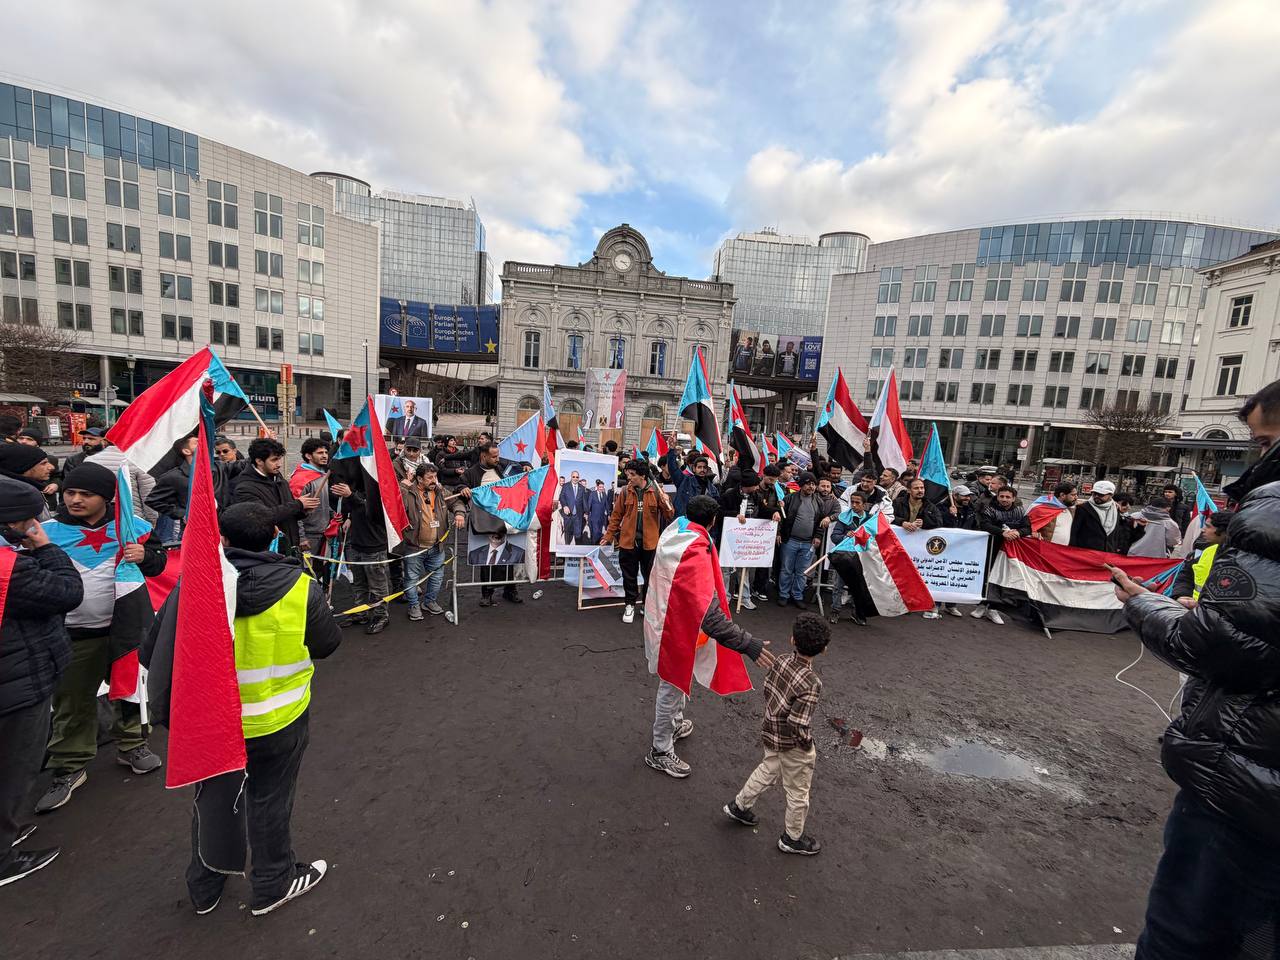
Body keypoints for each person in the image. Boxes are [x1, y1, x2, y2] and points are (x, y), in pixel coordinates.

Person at [1107, 381, 1280, 958]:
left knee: (1185, 940)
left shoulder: (1272, 510)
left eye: (1264, 443)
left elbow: (1220, 645)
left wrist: (1141, 604)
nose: (1256, 462)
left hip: (1247, 786)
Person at [143, 501, 341, 916]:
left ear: (223, 539)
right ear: (275, 536)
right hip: (280, 720)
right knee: (270, 800)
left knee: (212, 799)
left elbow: (153, 651)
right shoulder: (301, 587)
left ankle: (205, 886)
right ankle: (272, 883)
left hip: (213, 720)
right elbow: (326, 644)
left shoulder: (196, 586)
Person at [35, 464, 167, 814]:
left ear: (106, 498)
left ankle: (132, 744)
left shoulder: (132, 528)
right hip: (73, 634)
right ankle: (70, 763)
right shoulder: (44, 533)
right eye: (70, 492)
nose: (75, 499)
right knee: (72, 700)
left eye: (86, 494)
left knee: (131, 692)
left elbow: (158, 563)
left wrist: (146, 556)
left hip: (126, 630)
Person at [0, 476, 83, 887]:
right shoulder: (10, 568)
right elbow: (68, 591)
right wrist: (47, 548)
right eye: (29, 518)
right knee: (14, 767)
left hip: (16, 673)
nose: (35, 524)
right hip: (16, 681)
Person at [644, 495, 765, 778]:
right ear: (712, 522)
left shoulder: (678, 530)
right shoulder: (694, 551)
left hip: (670, 620)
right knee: (672, 686)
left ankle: (674, 725)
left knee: (678, 682)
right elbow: (709, 617)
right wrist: (747, 644)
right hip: (676, 630)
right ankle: (660, 749)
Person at [723, 612, 829, 856]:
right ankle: (793, 837)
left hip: (771, 731)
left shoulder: (780, 660)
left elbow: (768, 690)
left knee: (768, 769)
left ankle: (740, 806)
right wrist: (807, 745)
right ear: (824, 649)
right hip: (793, 744)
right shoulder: (812, 682)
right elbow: (798, 723)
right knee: (798, 792)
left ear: (792, 640)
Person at [602, 459, 675, 624]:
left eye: (632, 475)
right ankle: (629, 605)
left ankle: (646, 605)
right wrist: (609, 535)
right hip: (628, 542)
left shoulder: (656, 491)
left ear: (642, 476)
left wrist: (666, 501)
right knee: (629, 576)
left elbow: (669, 515)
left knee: (650, 577)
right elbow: (616, 515)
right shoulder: (625, 491)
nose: (629, 477)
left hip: (650, 544)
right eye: (628, 474)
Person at [231, 438, 319, 557]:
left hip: (290, 548)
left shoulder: (279, 479)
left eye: (279, 459)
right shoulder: (245, 487)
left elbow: (288, 512)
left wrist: (303, 510)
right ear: (259, 461)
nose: (279, 464)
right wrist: (298, 504)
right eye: (274, 460)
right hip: (268, 553)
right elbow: (261, 517)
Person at [461, 441, 523, 607]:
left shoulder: (501, 466)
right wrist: (463, 488)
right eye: (494, 456)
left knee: (509, 557)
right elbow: (461, 484)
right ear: (483, 456)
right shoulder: (472, 472)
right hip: (484, 523)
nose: (497, 459)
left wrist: (526, 466)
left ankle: (510, 590)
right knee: (487, 560)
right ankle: (487, 593)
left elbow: (518, 464)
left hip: (506, 519)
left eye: (498, 455)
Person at [399, 462, 463, 620]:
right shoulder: (408, 492)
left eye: (435, 476)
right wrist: (403, 485)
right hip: (414, 546)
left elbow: (456, 502)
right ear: (419, 479)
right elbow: (395, 502)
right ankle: (414, 605)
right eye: (430, 477)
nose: (434, 480)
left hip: (436, 546)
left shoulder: (440, 491)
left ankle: (429, 602)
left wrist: (459, 513)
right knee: (412, 579)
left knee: (436, 577)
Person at [971, 486, 1030, 625]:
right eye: (1001, 496)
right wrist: (1002, 533)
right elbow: (985, 525)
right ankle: (981, 605)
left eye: (1008, 497)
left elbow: (1028, 528)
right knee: (988, 577)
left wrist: (1018, 533)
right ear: (997, 497)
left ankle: (993, 608)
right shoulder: (989, 510)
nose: (1004, 499)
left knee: (1002, 579)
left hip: (1011, 552)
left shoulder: (1020, 511)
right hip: (993, 548)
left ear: (1014, 498)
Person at [719, 469, 768, 610]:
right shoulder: (729, 495)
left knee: (744, 569)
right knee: (725, 569)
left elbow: (763, 510)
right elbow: (719, 513)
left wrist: (774, 512)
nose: (757, 487)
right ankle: (724, 598)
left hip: (747, 539)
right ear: (748, 485)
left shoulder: (756, 496)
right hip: (729, 538)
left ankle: (745, 598)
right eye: (755, 485)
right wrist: (734, 515)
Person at [825, 492, 875, 625]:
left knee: (859, 587)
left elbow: (875, 538)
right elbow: (834, 537)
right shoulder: (844, 518)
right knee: (838, 586)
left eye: (857, 502)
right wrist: (845, 536)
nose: (854, 505)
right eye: (852, 502)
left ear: (864, 505)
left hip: (861, 559)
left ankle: (857, 613)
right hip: (844, 558)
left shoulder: (870, 520)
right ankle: (835, 611)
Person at [776, 471, 822, 609]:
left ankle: (797, 595)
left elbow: (820, 521)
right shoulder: (790, 498)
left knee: (802, 572)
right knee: (786, 569)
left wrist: (818, 536)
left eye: (813, 484)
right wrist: (779, 533)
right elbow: (781, 517)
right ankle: (783, 595)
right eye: (808, 484)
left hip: (808, 543)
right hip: (790, 540)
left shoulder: (818, 501)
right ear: (801, 485)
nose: (811, 487)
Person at [1171, 510, 1232, 606]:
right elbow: (1186, 576)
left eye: (1208, 526)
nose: (1203, 530)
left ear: (1224, 531)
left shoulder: (1242, 560)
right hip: (1191, 608)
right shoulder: (1206, 551)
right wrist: (1182, 594)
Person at [148, 435, 198, 545]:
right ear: (186, 451)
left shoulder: (217, 468)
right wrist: (183, 513)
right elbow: (152, 500)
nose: (203, 443)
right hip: (191, 531)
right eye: (197, 442)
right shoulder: (174, 476)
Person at [0, 443, 56, 517]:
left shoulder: (31, 487)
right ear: (22, 466)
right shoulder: (17, 496)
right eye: (43, 463)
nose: (51, 467)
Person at [1069, 480, 1122, 553]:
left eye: (1101, 494)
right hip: (1086, 553)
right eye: (1094, 494)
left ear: (1111, 495)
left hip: (1108, 552)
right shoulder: (1083, 508)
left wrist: (1115, 548)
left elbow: (1116, 532)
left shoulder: (1115, 509)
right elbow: (1074, 532)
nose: (1096, 496)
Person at [558, 470, 589, 545]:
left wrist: (586, 513)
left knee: (578, 535)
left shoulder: (582, 488)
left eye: (577, 477)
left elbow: (584, 501)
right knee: (568, 534)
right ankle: (567, 549)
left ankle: (577, 550)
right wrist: (565, 506)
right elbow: (561, 497)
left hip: (578, 516)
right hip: (568, 515)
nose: (575, 478)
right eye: (573, 477)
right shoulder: (566, 486)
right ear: (571, 477)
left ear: (579, 478)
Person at [1044, 481, 1077, 545]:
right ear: (1062, 495)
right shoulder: (1044, 509)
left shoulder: (1071, 509)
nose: (1076, 497)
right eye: (1073, 495)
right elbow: (1029, 527)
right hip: (1047, 548)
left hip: (1064, 550)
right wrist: (1034, 532)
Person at [587, 478, 613, 544]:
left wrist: (608, 514)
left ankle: (596, 543)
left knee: (599, 532)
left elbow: (606, 505)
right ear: (597, 486)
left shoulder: (604, 494)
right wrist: (587, 515)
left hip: (601, 517)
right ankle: (594, 544)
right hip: (594, 517)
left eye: (602, 487)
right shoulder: (592, 494)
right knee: (595, 532)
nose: (601, 488)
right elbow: (589, 505)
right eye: (600, 487)